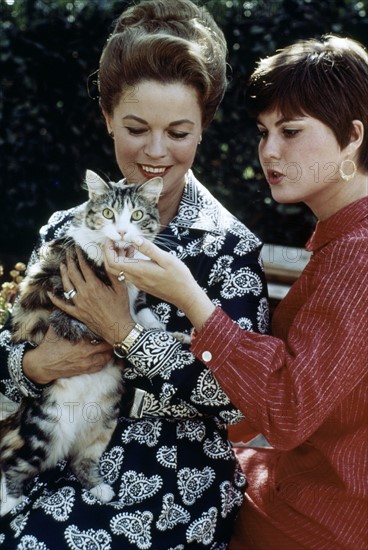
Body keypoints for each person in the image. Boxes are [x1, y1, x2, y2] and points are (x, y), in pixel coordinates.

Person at [0, 0, 269, 547]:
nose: (155, 151)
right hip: (49, 443)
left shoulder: (229, 246)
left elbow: (244, 398)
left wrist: (129, 336)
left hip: (171, 467)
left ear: (202, 131)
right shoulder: (64, 229)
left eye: (178, 132)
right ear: (107, 119)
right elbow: (12, 347)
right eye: (136, 127)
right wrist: (33, 365)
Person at [105, 35, 368, 549]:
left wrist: (191, 300)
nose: (269, 150)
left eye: (291, 131)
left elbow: (287, 412)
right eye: (264, 131)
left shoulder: (357, 254)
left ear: (353, 136)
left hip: (315, 525)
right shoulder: (341, 240)